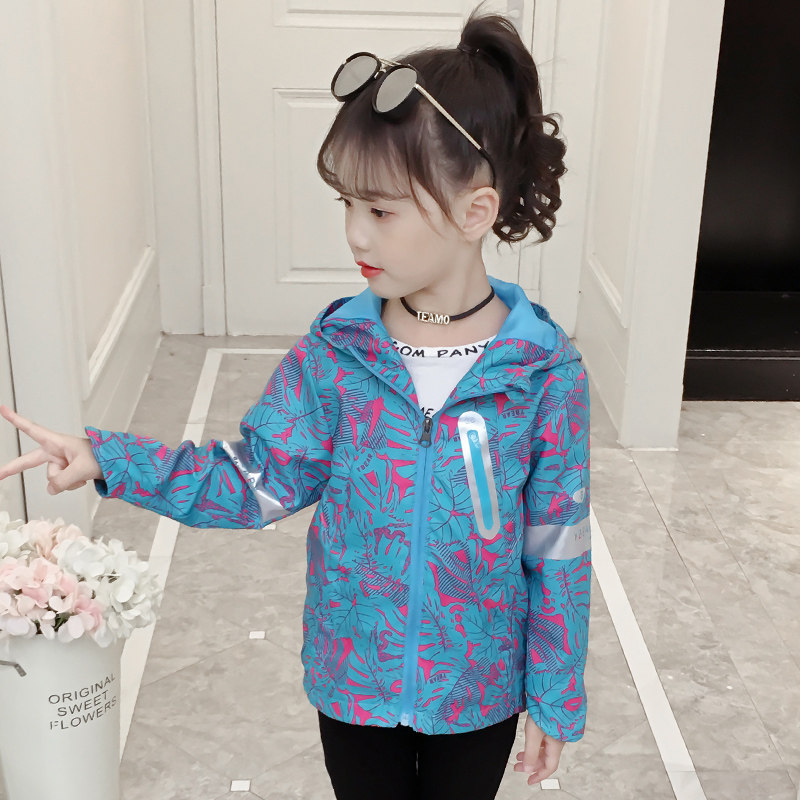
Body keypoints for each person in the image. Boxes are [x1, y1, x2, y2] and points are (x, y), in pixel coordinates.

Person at [0, 7, 591, 800]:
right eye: (347, 203)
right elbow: (253, 480)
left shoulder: (542, 371)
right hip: (352, 678)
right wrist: (110, 458)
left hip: (477, 689)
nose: (355, 234)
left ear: (474, 212)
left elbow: (557, 546)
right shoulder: (337, 353)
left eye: (380, 210)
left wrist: (554, 695)